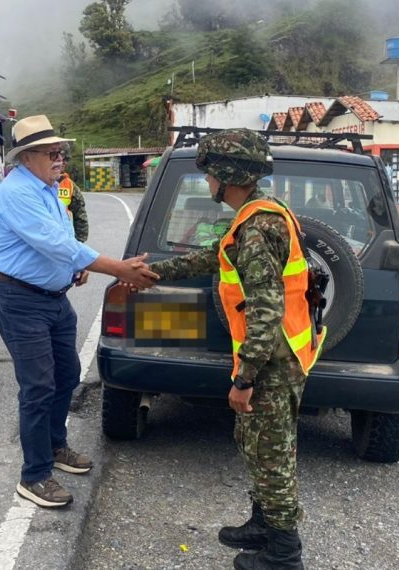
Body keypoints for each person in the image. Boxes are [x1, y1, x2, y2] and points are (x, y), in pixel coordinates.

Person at [143, 128, 324, 570]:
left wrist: (245, 378)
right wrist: (153, 271)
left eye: (209, 175)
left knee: (271, 454)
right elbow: (214, 256)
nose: (207, 183)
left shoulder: (259, 227)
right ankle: (264, 524)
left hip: (272, 363)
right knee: (255, 444)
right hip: (279, 357)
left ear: (228, 174)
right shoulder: (258, 215)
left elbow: (266, 309)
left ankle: (284, 553)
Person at [0, 115, 158, 509]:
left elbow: (63, 241)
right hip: (19, 299)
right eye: (52, 152)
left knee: (66, 376)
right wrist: (117, 268)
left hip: (52, 297)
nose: (60, 157)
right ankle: (34, 475)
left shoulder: (49, 187)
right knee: (38, 386)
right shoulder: (17, 193)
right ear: (26, 157)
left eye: (61, 151)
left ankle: (55, 445)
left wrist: (76, 266)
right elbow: (53, 243)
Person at [57, 150, 89, 243]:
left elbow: (80, 215)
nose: (63, 162)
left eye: (66, 159)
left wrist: (79, 243)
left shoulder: (69, 185)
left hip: (64, 241)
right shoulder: (36, 182)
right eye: (61, 157)